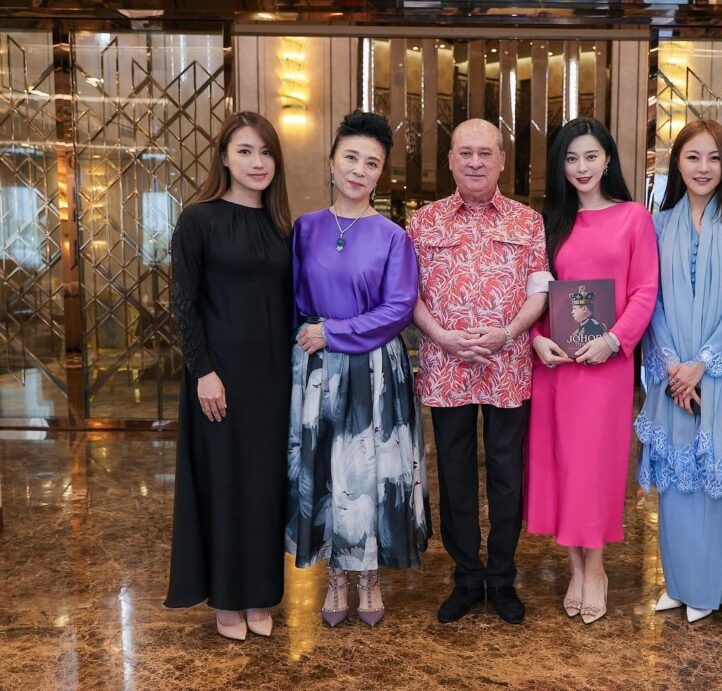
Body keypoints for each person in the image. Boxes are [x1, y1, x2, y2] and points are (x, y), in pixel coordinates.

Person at [285, 111, 430, 628]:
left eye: (372, 163)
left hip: (373, 368)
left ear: (380, 173)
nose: (359, 170)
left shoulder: (393, 236)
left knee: (367, 473)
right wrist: (314, 336)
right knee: (326, 468)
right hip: (319, 368)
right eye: (351, 157)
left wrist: (334, 333)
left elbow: (398, 308)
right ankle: (335, 578)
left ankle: (369, 578)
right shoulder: (305, 228)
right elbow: (294, 301)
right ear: (331, 161)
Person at [408, 118, 550, 625]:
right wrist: (443, 337)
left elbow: (540, 290)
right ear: (449, 160)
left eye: (484, 153)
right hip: (446, 368)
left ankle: (503, 577)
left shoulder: (528, 222)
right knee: (456, 475)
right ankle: (467, 577)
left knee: (508, 477)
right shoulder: (422, 223)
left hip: (507, 366)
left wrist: (508, 333)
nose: (474, 162)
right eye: (464, 153)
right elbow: (410, 296)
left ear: (501, 160)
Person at [633, 119, 722, 624]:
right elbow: (653, 301)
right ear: (677, 164)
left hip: (720, 372)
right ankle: (680, 583)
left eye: (714, 157)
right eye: (693, 157)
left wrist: (701, 365)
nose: (703, 168)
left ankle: (712, 589)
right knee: (676, 482)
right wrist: (672, 364)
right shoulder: (659, 223)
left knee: (715, 482)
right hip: (672, 374)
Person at [165, 111, 293, 641]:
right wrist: (204, 372)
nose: (257, 162)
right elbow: (182, 302)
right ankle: (225, 599)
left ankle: (260, 593)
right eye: (245, 151)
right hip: (219, 378)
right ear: (223, 156)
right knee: (223, 483)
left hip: (274, 379)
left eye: (265, 152)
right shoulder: (198, 219)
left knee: (265, 485)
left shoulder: (283, 225)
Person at [526, 117, 658, 624]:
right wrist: (537, 341)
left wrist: (614, 339)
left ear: (608, 160)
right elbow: (535, 294)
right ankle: (574, 565)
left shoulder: (632, 218)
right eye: (570, 158)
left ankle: (595, 569)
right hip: (556, 368)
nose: (581, 167)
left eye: (590, 156)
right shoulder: (548, 222)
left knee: (594, 467)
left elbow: (645, 289)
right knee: (561, 465)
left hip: (605, 366)